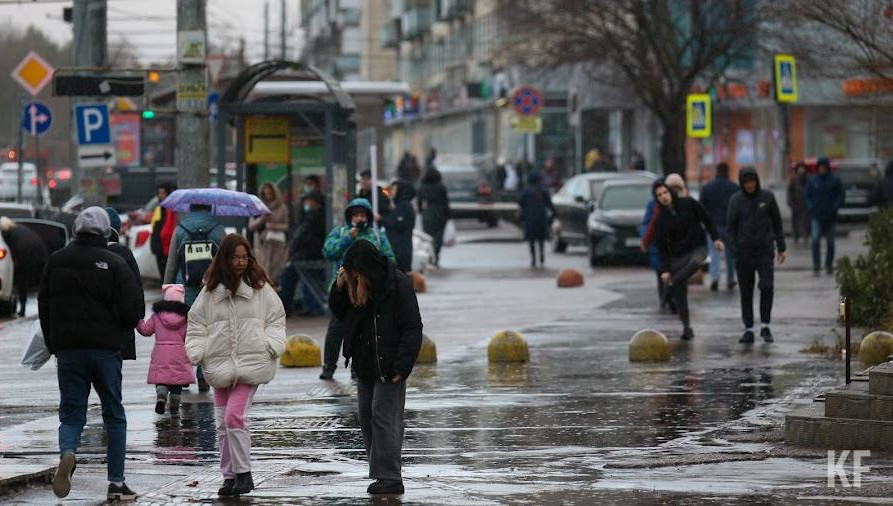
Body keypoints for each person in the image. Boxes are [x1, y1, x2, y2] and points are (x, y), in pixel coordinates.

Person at [38, 207, 144, 501]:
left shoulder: (55, 262)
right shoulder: (114, 262)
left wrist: (54, 343)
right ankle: (117, 484)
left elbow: (44, 307)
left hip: (68, 351)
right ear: (105, 231)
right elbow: (133, 310)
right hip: (105, 351)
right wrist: (117, 333)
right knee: (114, 415)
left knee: (71, 414)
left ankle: (68, 452)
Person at [186, 234, 286, 497]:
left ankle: (244, 473)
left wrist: (272, 345)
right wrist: (198, 351)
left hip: (251, 364)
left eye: (245, 257)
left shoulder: (259, 288)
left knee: (234, 417)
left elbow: (276, 318)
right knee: (222, 423)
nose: (241, 262)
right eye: (235, 258)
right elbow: (196, 323)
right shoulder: (210, 292)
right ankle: (229, 476)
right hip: (218, 364)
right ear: (225, 259)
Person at [328, 239, 423, 495]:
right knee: (366, 415)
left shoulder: (396, 283)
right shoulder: (353, 286)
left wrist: (402, 365)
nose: (354, 279)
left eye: (356, 275)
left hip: (391, 364)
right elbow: (339, 314)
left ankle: (390, 476)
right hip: (365, 363)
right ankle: (381, 473)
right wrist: (339, 288)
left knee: (384, 417)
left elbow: (412, 326)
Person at [319, 198, 396, 380]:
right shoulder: (340, 232)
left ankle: (357, 366)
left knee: (363, 329)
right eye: (355, 215)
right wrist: (349, 237)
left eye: (362, 215)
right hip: (344, 290)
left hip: (368, 290)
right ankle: (329, 365)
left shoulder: (376, 235)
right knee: (336, 329)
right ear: (350, 217)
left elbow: (390, 258)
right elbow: (328, 252)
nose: (359, 218)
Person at [164, 203, 226, 392]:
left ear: (190, 208)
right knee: (208, 332)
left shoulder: (180, 229)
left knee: (185, 332)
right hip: (210, 288)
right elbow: (224, 262)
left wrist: (167, 288)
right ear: (209, 208)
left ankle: (184, 375)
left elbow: (172, 264)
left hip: (185, 288)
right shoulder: (218, 229)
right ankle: (203, 376)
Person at [653, 181, 723, 340]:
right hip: (678, 256)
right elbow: (662, 248)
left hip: (698, 248)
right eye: (659, 195)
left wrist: (716, 238)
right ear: (657, 199)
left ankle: (672, 284)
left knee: (695, 263)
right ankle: (686, 328)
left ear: (670, 192)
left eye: (665, 192)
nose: (663, 197)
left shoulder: (689, 203)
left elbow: (707, 218)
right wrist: (665, 270)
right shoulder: (660, 220)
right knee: (680, 294)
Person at [727, 167, 787, 344]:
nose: (750, 185)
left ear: (757, 181)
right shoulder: (735, 200)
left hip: (764, 251)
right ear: (742, 183)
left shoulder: (767, 197)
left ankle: (765, 326)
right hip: (744, 253)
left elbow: (777, 222)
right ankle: (749, 329)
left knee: (767, 287)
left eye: (752, 181)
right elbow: (730, 227)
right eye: (746, 182)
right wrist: (734, 251)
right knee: (746, 291)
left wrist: (781, 247)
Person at [137, 284, 194, 415]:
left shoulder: (157, 316)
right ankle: (174, 407)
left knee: (161, 379)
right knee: (177, 381)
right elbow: (190, 336)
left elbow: (145, 330)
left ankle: (161, 395)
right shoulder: (186, 318)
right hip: (180, 354)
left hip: (160, 354)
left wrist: (138, 321)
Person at [279, 192, 327, 316]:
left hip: (308, 254)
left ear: (315, 203)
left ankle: (285, 307)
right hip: (307, 253)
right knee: (307, 280)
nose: (306, 204)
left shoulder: (314, 218)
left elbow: (301, 237)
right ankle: (310, 307)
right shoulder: (311, 216)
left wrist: (292, 251)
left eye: (308, 201)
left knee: (290, 275)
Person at [105, 207, 143, 361]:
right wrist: (138, 315)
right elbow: (136, 287)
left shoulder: (88, 254)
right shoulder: (124, 253)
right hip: (122, 322)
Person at [699, 162, 739, 291]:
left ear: (717, 171)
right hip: (730, 226)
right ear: (728, 172)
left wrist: (705, 224)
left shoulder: (707, 188)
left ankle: (715, 278)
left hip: (713, 226)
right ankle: (730, 279)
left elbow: (701, 208)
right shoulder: (734, 188)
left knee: (714, 253)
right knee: (730, 254)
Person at [804, 156, 845, 274]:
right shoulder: (813, 180)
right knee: (815, 239)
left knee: (830, 242)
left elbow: (841, 195)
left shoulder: (834, 180)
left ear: (827, 167)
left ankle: (829, 265)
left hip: (830, 216)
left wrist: (835, 206)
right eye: (820, 167)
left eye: (824, 167)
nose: (822, 169)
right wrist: (810, 206)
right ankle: (816, 264)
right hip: (816, 215)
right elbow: (807, 195)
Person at [0, 216, 47, 317]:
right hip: (40, 253)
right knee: (42, 283)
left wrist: (15, 263)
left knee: (22, 282)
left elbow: (11, 249)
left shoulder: (6, 233)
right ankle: (46, 307)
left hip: (24, 255)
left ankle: (22, 309)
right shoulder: (19, 227)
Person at [639, 179, 672, 310]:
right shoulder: (652, 206)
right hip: (658, 246)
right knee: (661, 273)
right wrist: (645, 240)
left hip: (673, 246)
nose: (663, 196)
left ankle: (670, 298)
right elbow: (647, 224)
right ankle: (664, 298)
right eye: (659, 194)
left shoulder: (676, 204)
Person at [249, 182, 289, 284]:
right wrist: (261, 220)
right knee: (263, 269)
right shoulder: (258, 208)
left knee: (276, 270)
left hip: (277, 243)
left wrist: (275, 226)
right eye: (265, 194)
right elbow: (251, 226)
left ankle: (274, 285)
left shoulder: (282, 208)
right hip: (261, 243)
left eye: (270, 193)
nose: (268, 196)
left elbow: (288, 226)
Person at [518, 172, 556, 267]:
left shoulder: (525, 192)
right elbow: (549, 204)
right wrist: (555, 214)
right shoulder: (543, 191)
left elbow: (520, 203)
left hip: (529, 219)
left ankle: (533, 259)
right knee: (541, 240)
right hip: (541, 219)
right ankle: (542, 257)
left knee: (531, 241)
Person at [417, 166, 451, 266]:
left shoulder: (422, 186)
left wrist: (421, 211)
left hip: (428, 213)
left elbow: (419, 201)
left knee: (428, 237)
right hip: (440, 213)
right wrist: (448, 215)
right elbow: (445, 202)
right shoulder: (441, 187)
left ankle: (429, 258)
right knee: (438, 237)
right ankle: (436, 257)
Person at [383, 180, 417, 273]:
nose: (392, 192)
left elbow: (396, 224)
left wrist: (381, 219)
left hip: (400, 251)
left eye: (394, 189)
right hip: (399, 249)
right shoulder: (399, 205)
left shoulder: (404, 206)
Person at [150, 183, 177, 279]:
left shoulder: (171, 209)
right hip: (159, 247)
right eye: (159, 193)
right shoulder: (159, 208)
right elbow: (154, 227)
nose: (161, 195)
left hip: (167, 247)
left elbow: (168, 230)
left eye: (163, 193)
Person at [787, 162, 810, 244]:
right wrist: (789, 201)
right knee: (795, 221)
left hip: (805, 205)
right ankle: (795, 236)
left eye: (802, 168)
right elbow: (789, 191)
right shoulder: (793, 180)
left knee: (805, 221)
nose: (801, 170)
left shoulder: (808, 180)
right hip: (795, 204)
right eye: (800, 168)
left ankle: (805, 236)